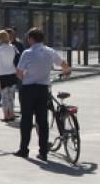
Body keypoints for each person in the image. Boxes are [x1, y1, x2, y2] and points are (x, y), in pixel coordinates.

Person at [15, 28, 71, 160]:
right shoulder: (50, 51)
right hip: (43, 89)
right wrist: (67, 71)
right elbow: (64, 65)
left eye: (28, 38)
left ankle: (24, 150)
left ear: (31, 39)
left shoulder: (27, 53)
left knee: (26, 121)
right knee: (42, 121)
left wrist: (26, 79)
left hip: (28, 90)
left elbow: (19, 72)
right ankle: (43, 152)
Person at [0, 30, 19, 122]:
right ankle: (11, 114)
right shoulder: (13, 47)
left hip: (3, 75)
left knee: (4, 97)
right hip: (12, 73)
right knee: (11, 97)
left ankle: (6, 116)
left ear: (0, 38)